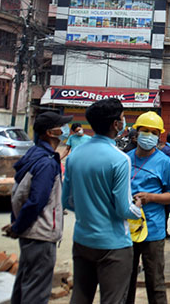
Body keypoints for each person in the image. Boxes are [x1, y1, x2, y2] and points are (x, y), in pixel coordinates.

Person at [62, 97, 143, 304]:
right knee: (113, 299)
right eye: (123, 118)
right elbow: (124, 208)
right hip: (113, 244)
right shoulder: (119, 159)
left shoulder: (74, 156)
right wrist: (138, 208)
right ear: (116, 124)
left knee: (80, 296)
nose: (125, 122)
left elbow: (67, 201)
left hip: (82, 239)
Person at [3, 111, 71, 304]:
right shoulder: (47, 162)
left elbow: (20, 194)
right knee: (36, 293)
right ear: (51, 132)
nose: (65, 130)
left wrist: (17, 224)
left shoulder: (35, 155)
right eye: (61, 127)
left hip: (30, 234)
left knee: (24, 286)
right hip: (40, 235)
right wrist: (18, 226)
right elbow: (36, 200)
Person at [126, 112, 170, 304]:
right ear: (136, 133)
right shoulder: (125, 159)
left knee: (155, 282)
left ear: (159, 136)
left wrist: (150, 197)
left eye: (153, 132)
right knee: (126, 282)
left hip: (153, 231)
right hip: (127, 230)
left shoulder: (164, 162)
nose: (148, 135)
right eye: (145, 131)